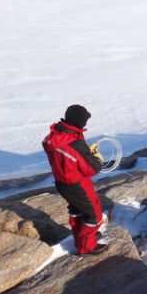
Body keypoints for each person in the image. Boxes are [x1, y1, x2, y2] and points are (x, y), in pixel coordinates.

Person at [42, 104, 108, 255]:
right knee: (93, 214)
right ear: (80, 122)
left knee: (78, 210)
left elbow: (57, 150)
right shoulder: (75, 144)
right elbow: (92, 169)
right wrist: (95, 158)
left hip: (62, 183)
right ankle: (86, 246)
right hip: (78, 184)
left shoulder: (54, 136)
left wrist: (85, 154)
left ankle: (83, 237)